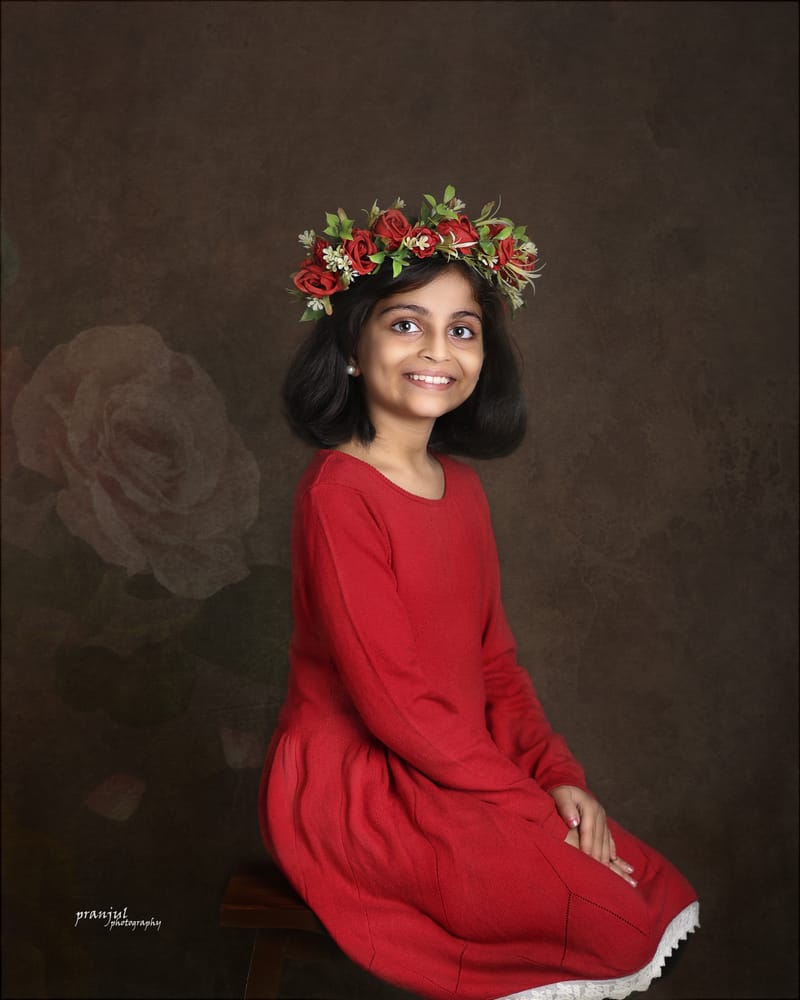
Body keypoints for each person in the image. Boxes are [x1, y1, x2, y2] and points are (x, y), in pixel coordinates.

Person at [258, 187, 699, 1000]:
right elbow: (395, 706)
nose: (438, 349)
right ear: (352, 347)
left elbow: (495, 665)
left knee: (645, 886)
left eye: (462, 329)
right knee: (605, 916)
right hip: (361, 783)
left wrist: (558, 776)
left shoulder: (460, 490)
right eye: (405, 323)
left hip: (466, 764)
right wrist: (527, 807)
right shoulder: (338, 494)